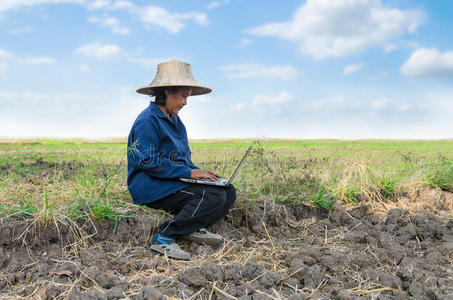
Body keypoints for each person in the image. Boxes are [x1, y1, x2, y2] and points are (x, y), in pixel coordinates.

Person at [127, 60, 236, 260]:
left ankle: (191, 227)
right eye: (183, 96)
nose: (186, 102)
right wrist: (188, 173)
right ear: (168, 91)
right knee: (213, 196)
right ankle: (165, 236)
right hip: (150, 186)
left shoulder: (176, 122)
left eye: (188, 97)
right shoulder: (148, 121)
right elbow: (149, 161)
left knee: (227, 192)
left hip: (170, 181)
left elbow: (182, 160)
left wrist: (201, 173)